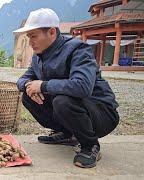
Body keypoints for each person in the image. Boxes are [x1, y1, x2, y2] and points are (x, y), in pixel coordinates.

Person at [14, 8, 119, 168]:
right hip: (71, 107)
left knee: (62, 101)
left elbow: (82, 86)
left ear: (51, 32)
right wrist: (30, 86)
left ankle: (90, 145)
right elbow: (22, 80)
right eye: (29, 37)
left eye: (33, 36)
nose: (30, 42)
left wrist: (42, 85)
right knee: (28, 95)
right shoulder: (38, 57)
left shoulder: (78, 49)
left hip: (101, 114)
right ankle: (66, 134)